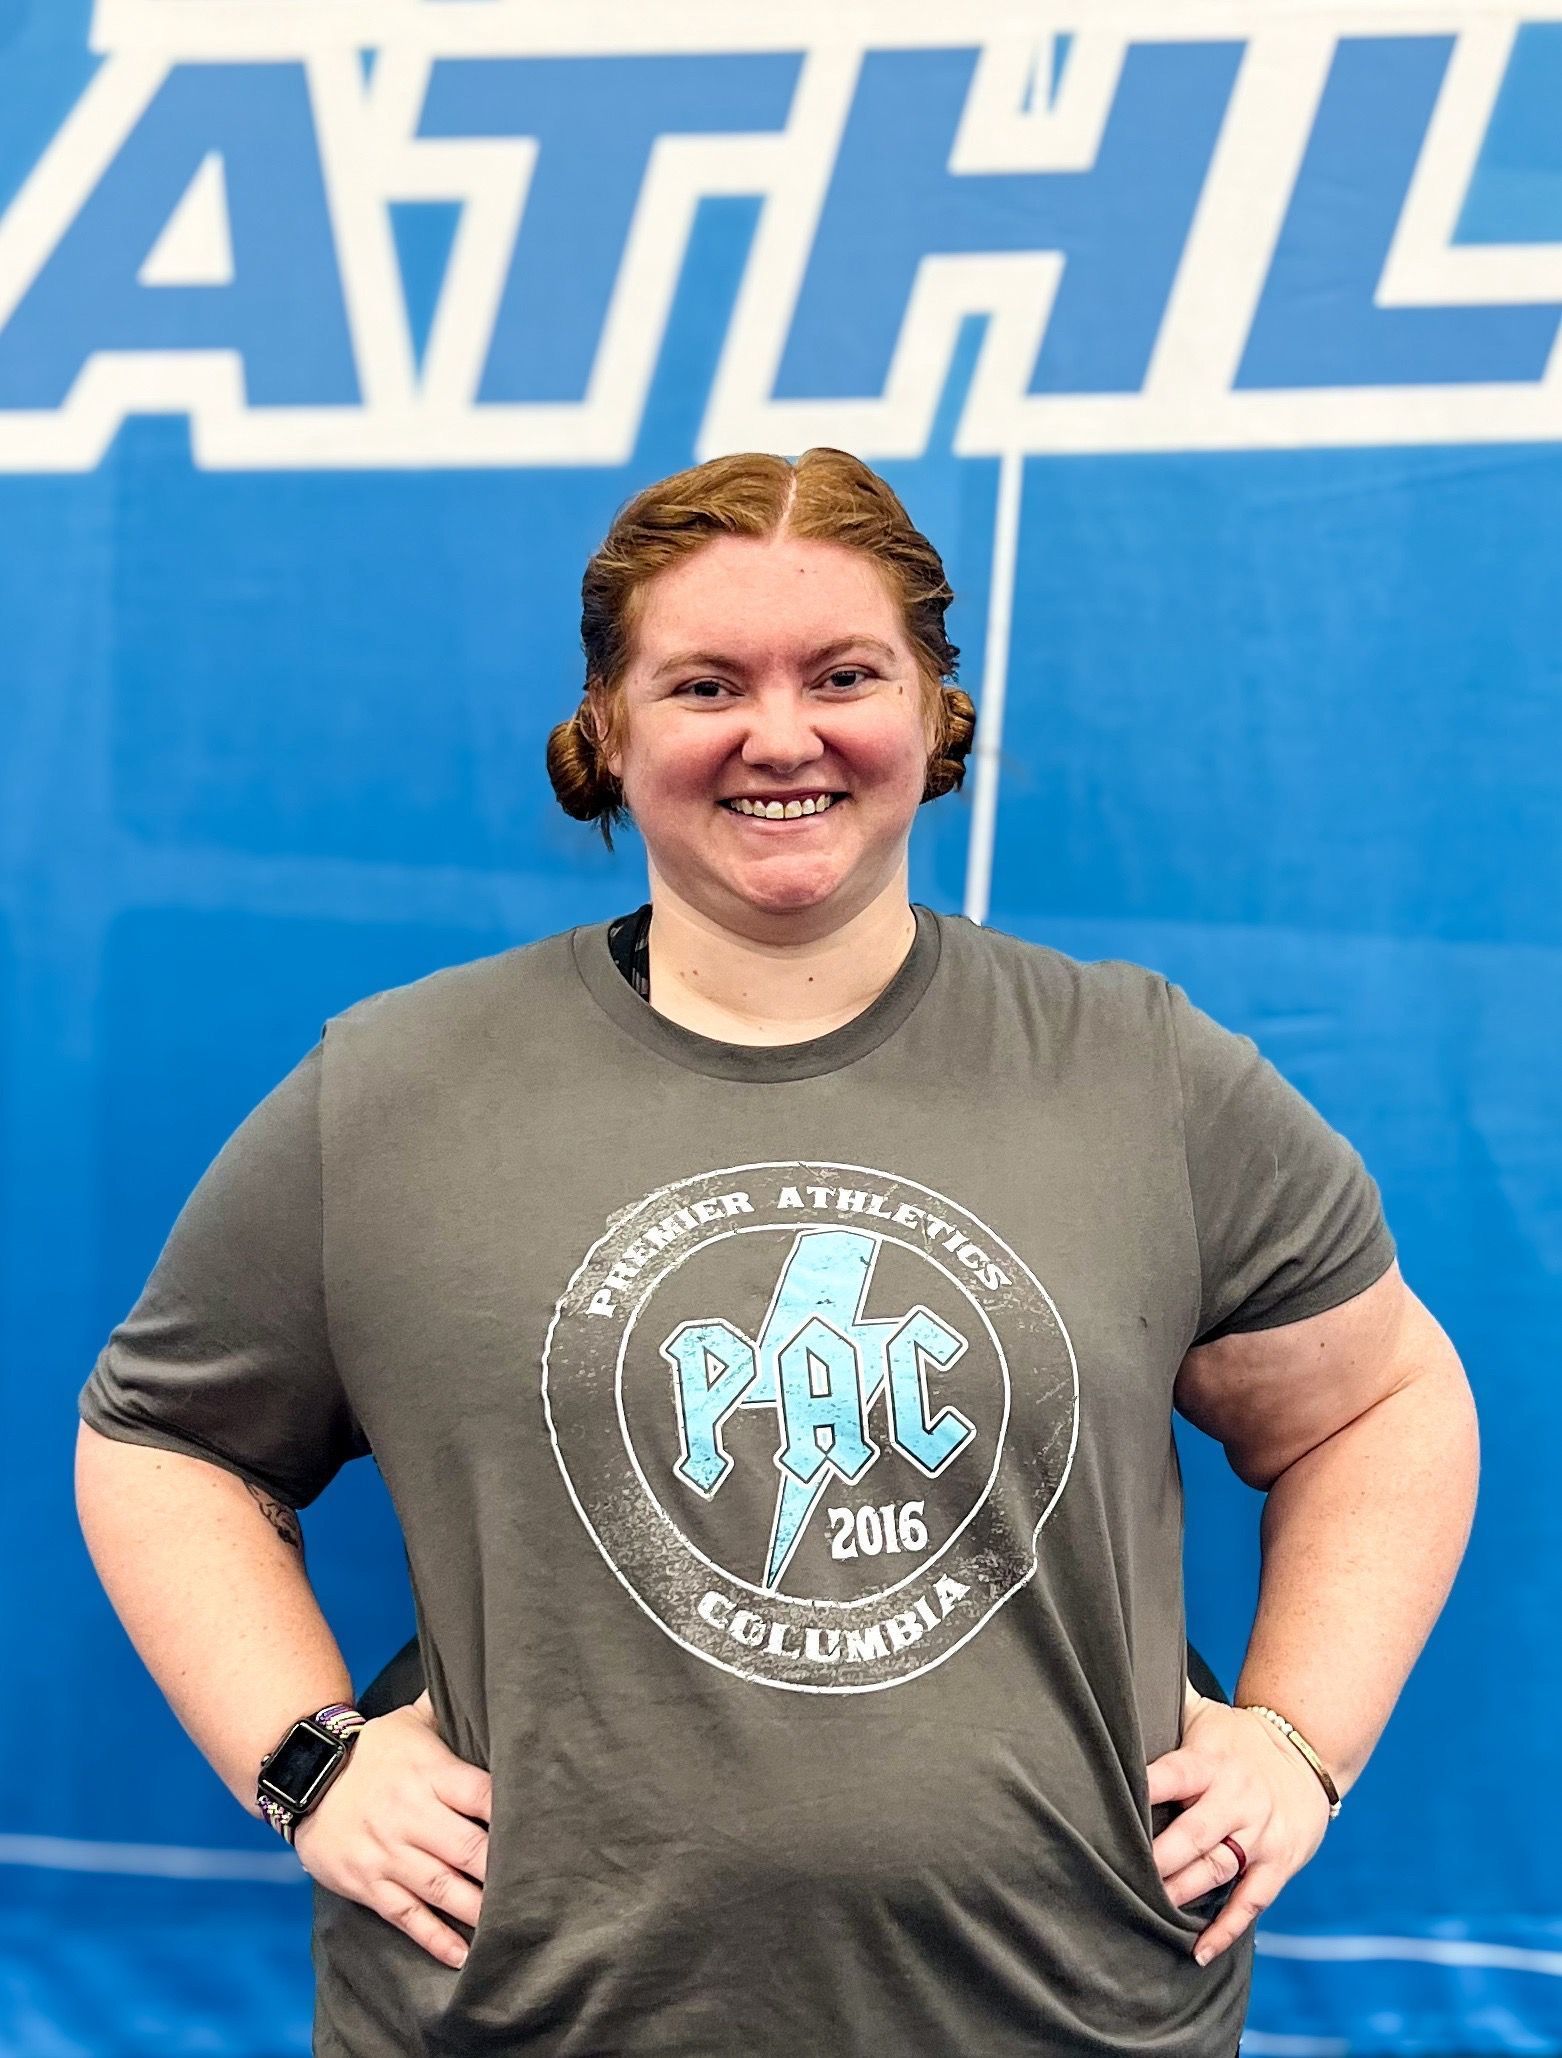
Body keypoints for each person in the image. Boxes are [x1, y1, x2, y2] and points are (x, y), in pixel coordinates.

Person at [75, 447, 1480, 2057]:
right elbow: (163, 1439)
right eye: (704, 683)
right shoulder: (393, 1092)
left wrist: (1299, 1742)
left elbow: (1373, 1404)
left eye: (842, 674)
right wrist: (310, 1758)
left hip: (1064, 2010)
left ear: (934, 713)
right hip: (526, 2015)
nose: (780, 734)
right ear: (607, 727)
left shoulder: (1140, 1072)